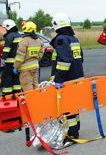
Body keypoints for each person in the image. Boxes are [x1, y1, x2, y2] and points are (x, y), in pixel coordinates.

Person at [50, 12, 84, 147]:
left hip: (67, 80)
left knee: (68, 109)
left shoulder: (61, 39)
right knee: (75, 107)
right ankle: (76, 130)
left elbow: (64, 61)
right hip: (77, 77)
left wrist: (58, 79)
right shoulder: (73, 38)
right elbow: (80, 58)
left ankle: (72, 135)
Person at [13, 21, 44, 91]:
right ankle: (37, 100)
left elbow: (20, 56)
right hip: (36, 66)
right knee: (35, 85)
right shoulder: (39, 41)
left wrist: (16, 66)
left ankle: (31, 101)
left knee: (27, 86)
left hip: (25, 69)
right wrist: (35, 60)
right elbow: (41, 54)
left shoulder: (23, 41)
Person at [1, 19, 21, 96]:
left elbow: (7, 48)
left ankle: (7, 94)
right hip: (18, 61)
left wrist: (3, 58)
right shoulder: (18, 35)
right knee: (16, 78)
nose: (4, 30)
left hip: (9, 62)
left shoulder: (9, 36)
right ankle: (17, 93)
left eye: (4, 28)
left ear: (8, 27)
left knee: (8, 77)